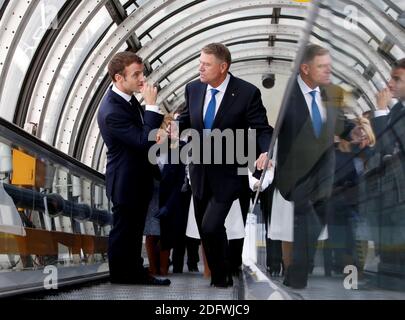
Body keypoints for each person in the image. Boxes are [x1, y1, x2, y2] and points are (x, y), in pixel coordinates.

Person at [176, 43, 272, 287]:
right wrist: (174, 131)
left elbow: (262, 128)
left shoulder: (246, 92)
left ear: (223, 67)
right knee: (206, 229)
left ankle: (223, 275)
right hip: (199, 172)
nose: (200, 68)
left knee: (210, 225)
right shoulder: (193, 89)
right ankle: (222, 275)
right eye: (200, 62)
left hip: (229, 174)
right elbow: (187, 121)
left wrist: (265, 151)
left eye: (206, 64)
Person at [274, 44, 359, 289]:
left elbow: (343, 126)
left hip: (325, 173)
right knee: (305, 219)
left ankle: (294, 274)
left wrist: (356, 132)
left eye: (329, 66)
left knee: (315, 224)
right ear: (306, 69)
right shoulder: (288, 95)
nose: (328, 71)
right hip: (296, 173)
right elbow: (273, 130)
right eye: (322, 67)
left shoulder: (332, 94)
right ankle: (297, 279)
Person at [97, 51, 170, 285]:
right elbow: (141, 141)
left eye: (142, 73)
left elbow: (143, 137)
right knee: (123, 230)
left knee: (134, 230)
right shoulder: (111, 110)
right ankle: (120, 276)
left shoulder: (126, 101)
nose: (142, 79)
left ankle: (136, 272)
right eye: (136, 74)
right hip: (125, 179)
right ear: (119, 78)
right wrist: (151, 106)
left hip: (138, 178)